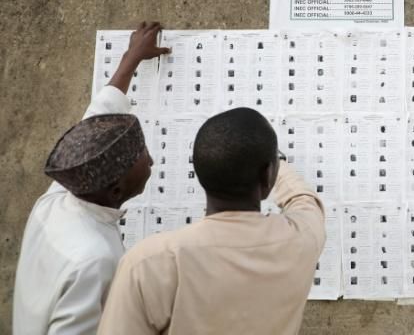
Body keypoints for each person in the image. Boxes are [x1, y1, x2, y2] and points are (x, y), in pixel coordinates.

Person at [98, 108, 326, 335]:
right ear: (267, 175)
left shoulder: (149, 262)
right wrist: (277, 163)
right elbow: (304, 201)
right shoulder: (302, 239)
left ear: (199, 172)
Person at [13, 22, 170, 335]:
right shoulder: (94, 260)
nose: (151, 159)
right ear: (116, 190)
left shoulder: (61, 196)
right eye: (142, 157)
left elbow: (96, 119)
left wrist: (131, 58)